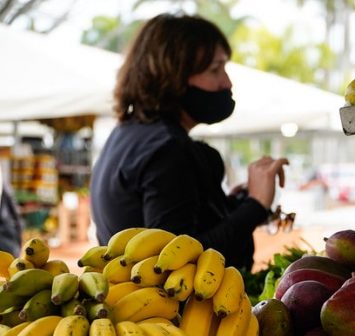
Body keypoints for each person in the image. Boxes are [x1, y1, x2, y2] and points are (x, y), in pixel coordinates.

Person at [90, 13, 288, 270]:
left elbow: (173, 223)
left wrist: (228, 205)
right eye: (215, 69)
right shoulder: (166, 149)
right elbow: (176, 262)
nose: (227, 82)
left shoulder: (128, 134)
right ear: (172, 76)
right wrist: (255, 206)